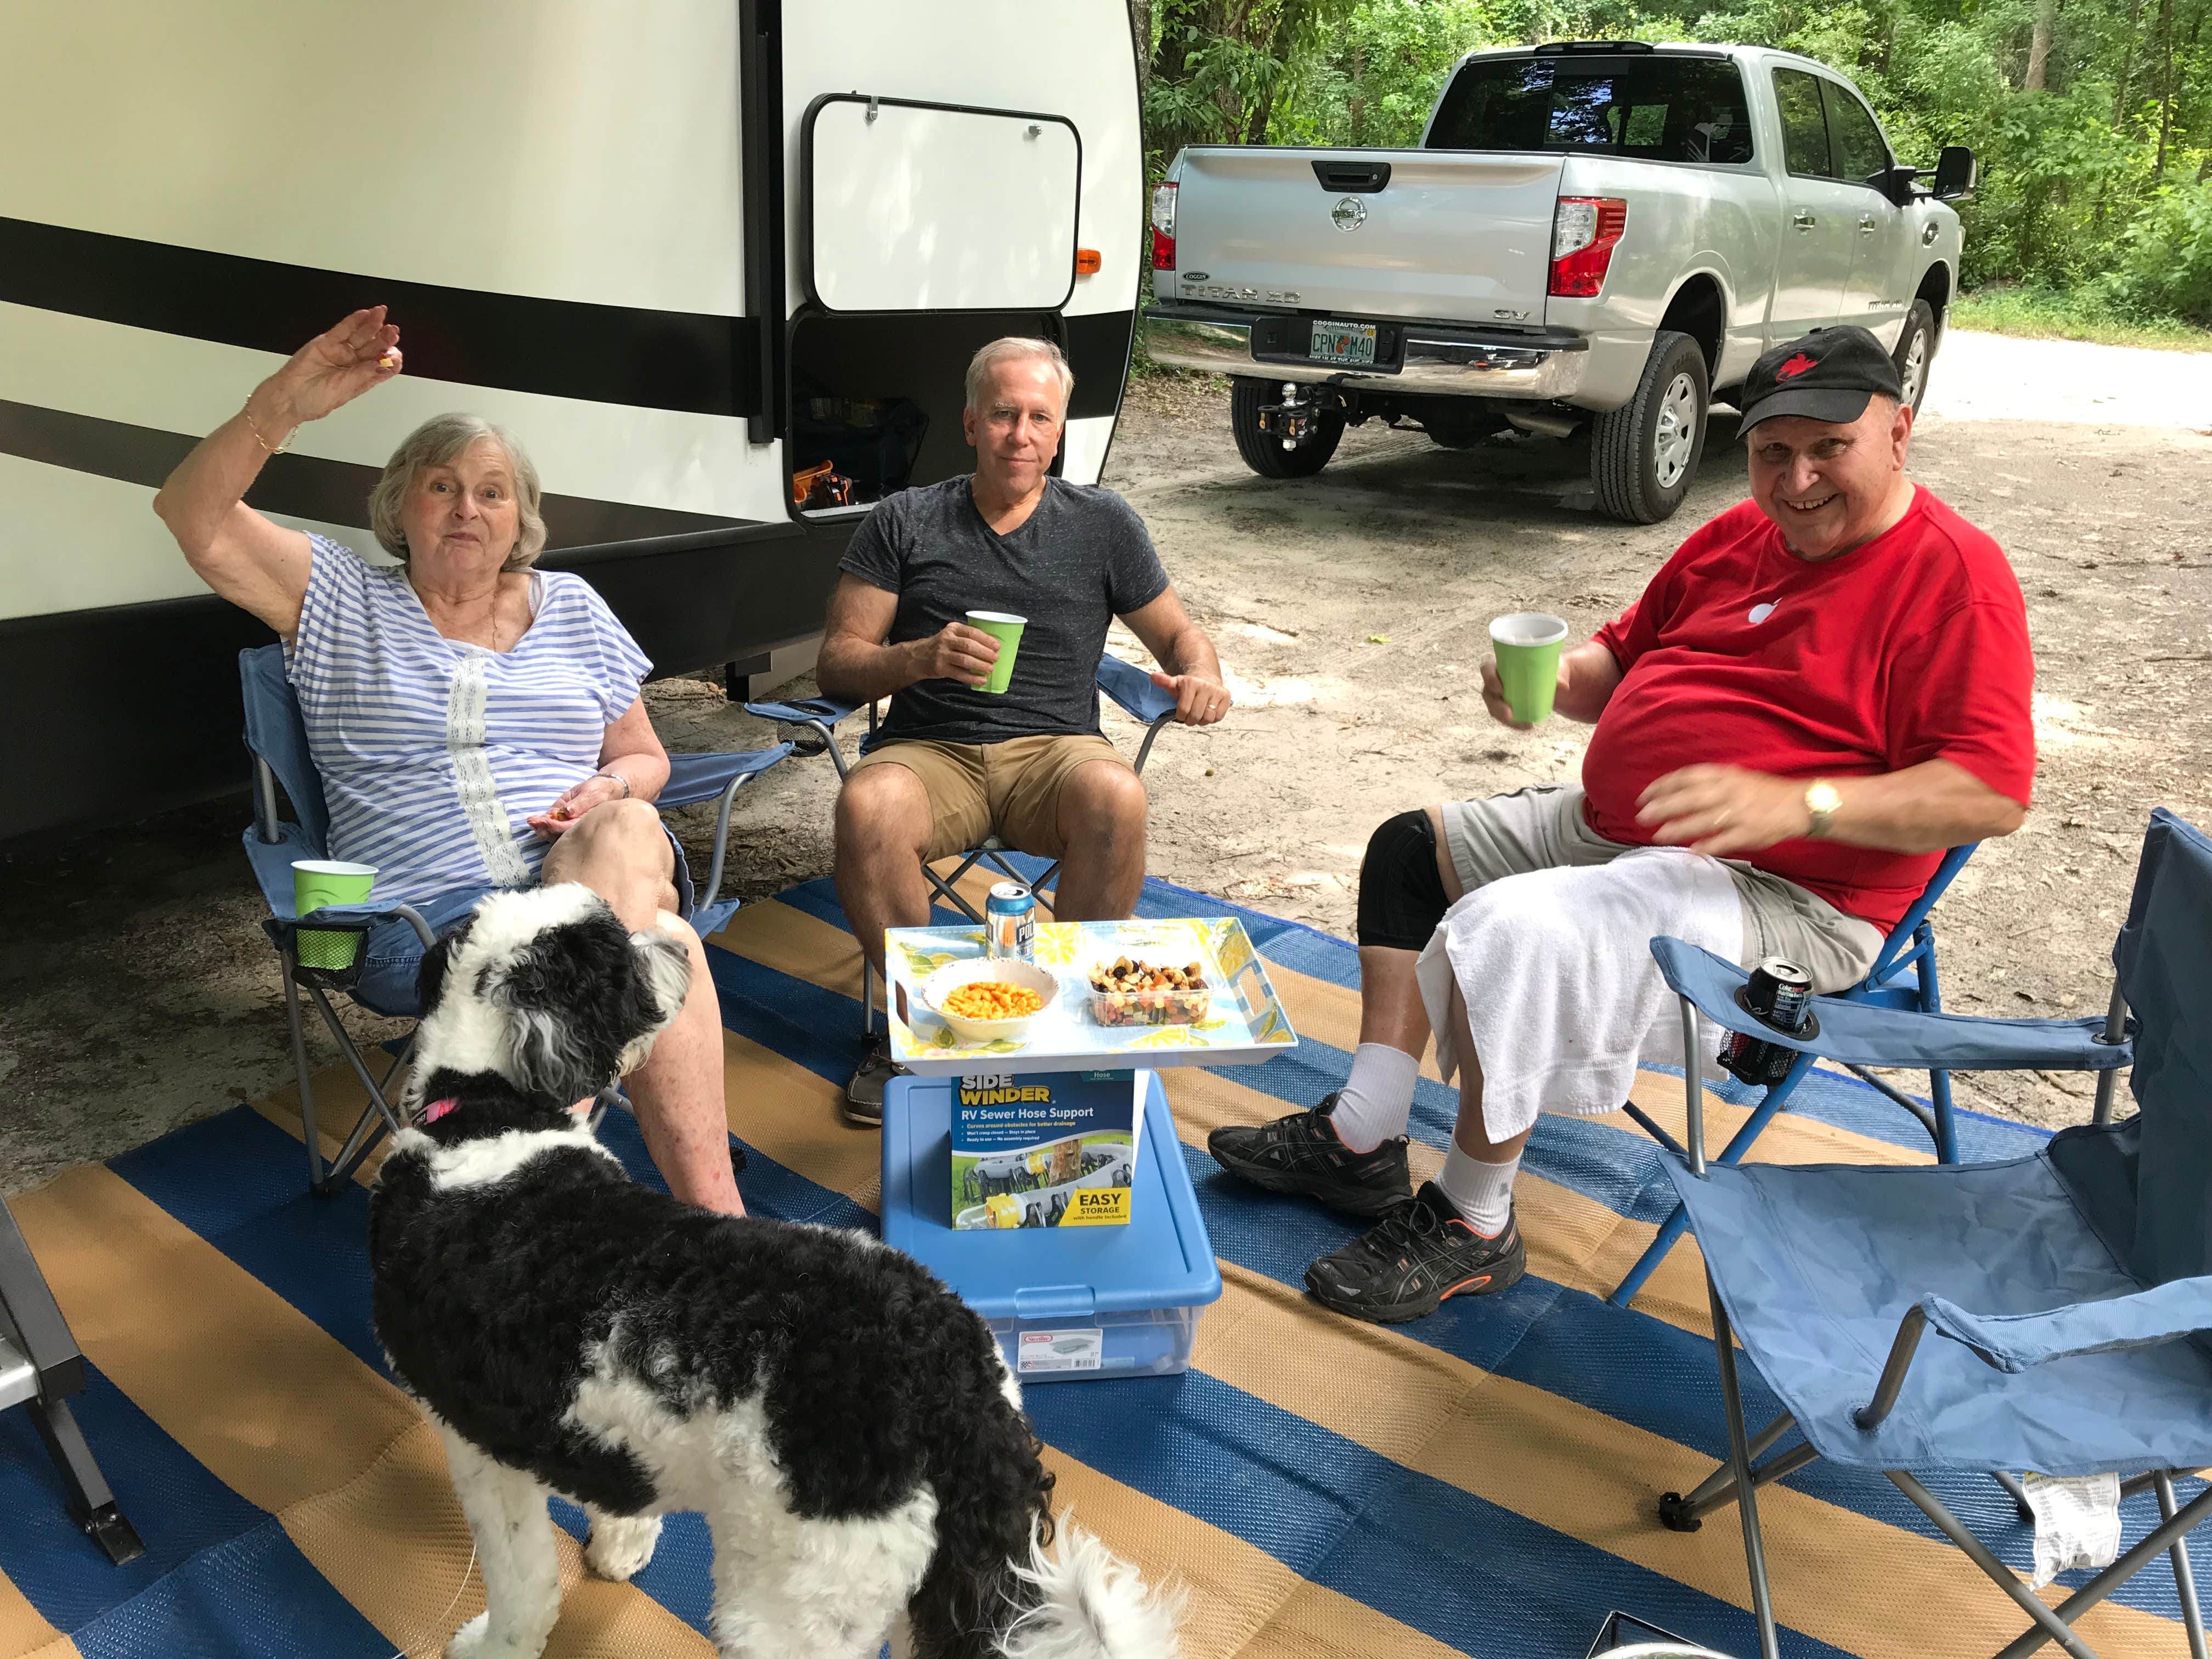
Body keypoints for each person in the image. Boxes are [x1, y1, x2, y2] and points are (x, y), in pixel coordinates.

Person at [1210, 325, 2035, 1324]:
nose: (1798, 477)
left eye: (1831, 448)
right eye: (1775, 452)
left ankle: (1476, 1221)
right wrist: (1548, 688)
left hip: (1796, 896)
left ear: (1898, 432)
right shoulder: (1737, 536)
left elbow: (1991, 792)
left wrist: (1800, 802)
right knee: (1407, 852)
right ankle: (1365, 1137)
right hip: (1631, 833)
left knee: (1512, 930)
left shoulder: (1956, 578)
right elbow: (1616, 665)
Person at [153, 307, 743, 1216]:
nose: (468, 507)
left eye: (493, 491)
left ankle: (545, 1164)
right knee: (664, 944)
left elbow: (644, 757)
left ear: (522, 520)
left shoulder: (575, 606)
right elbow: (189, 514)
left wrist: (610, 784)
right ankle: (647, 1202)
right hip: (418, 924)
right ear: (398, 507)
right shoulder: (335, 597)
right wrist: (283, 404)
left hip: (578, 871)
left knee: (626, 825)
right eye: (442, 486)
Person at [819, 337, 1230, 1124]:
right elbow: (839, 664)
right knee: (867, 807)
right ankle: (919, 1024)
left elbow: (1181, 637)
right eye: (1004, 415)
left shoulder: (1104, 524)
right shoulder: (904, 520)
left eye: (1040, 417)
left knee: (1118, 793)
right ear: (971, 423)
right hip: (930, 750)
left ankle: (1071, 1018)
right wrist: (919, 657)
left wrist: (1201, 675)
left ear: (1061, 426)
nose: (1022, 434)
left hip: (1055, 753)